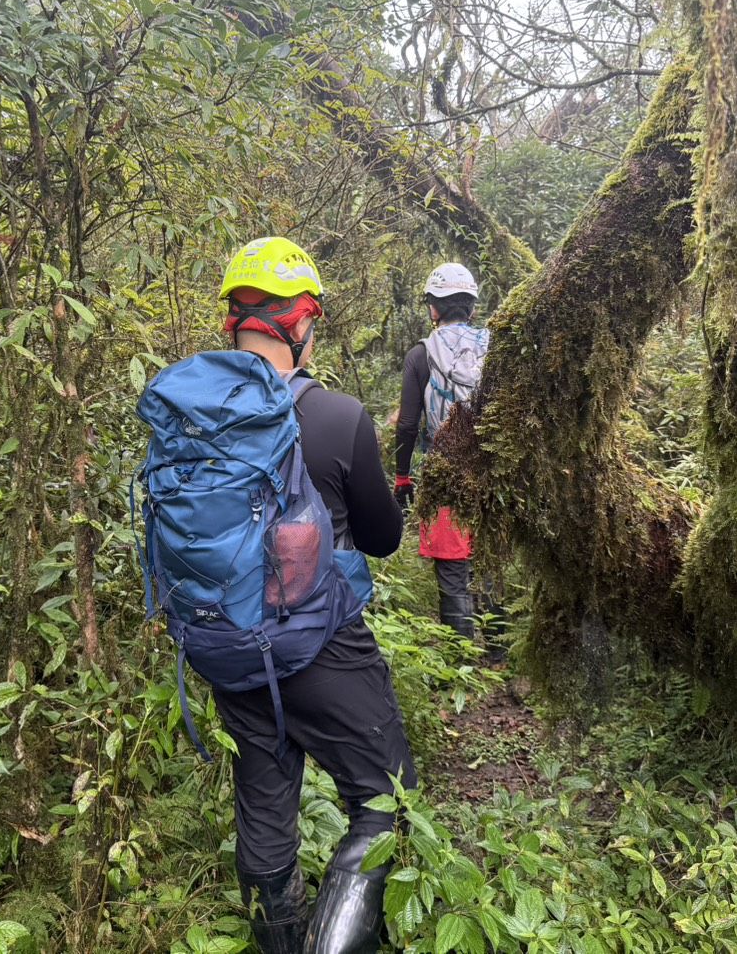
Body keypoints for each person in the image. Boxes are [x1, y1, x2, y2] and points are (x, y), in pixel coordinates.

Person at [214, 237, 415, 954]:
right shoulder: (336, 417)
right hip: (320, 644)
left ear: (234, 320)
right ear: (300, 321)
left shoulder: (187, 414)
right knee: (385, 802)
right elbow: (383, 539)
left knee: (265, 807)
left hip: (225, 644)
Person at [393, 262, 497, 648]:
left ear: (433, 309)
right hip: (490, 470)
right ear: (471, 307)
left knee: (453, 566)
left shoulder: (420, 354)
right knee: (487, 556)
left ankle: (459, 657)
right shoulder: (495, 345)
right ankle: (499, 650)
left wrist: (403, 476)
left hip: (443, 472)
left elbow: (407, 425)